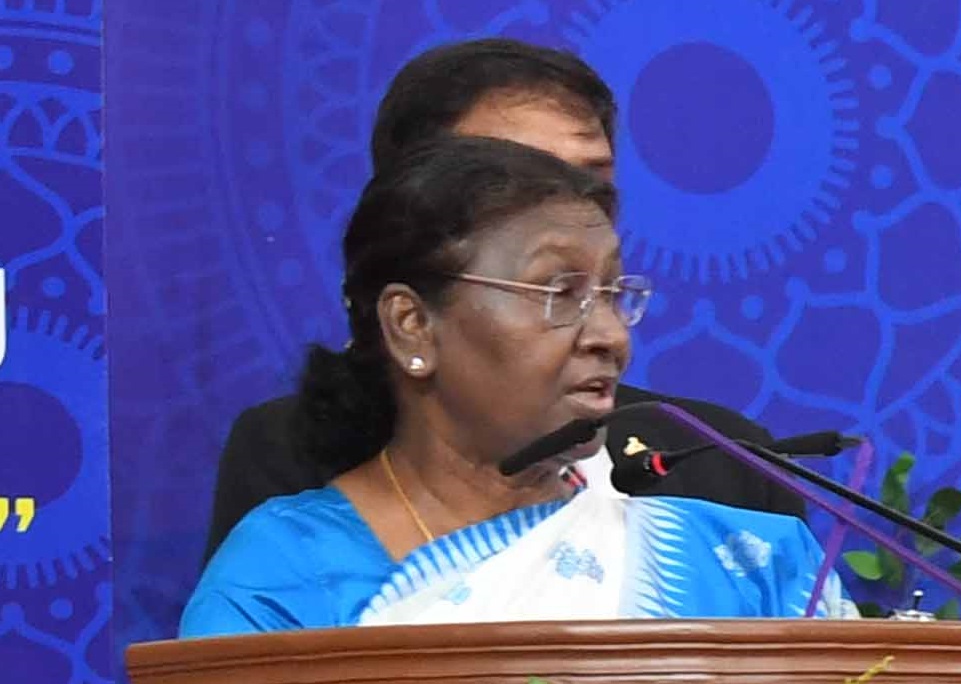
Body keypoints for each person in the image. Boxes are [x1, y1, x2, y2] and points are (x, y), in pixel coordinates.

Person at [180, 138, 837, 636]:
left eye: (612, 293)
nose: (610, 334)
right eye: (561, 292)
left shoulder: (750, 566)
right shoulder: (278, 584)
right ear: (411, 325)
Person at [199, 38, 804, 553]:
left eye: (592, 183)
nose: (569, 210)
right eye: (518, 178)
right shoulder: (294, 472)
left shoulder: (721, 461)